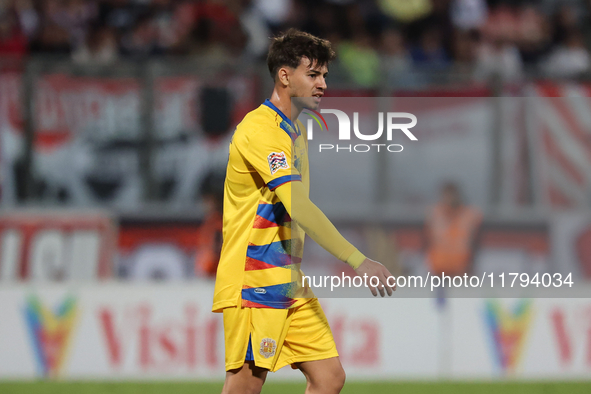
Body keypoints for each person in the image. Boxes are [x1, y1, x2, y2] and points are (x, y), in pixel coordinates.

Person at [212, 29, 394, 394]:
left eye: (324, 75)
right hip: (255, 280)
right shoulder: (259, 129)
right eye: (313, 74)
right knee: (244, 388)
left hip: (288, 279)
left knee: (329, 378)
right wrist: (359, 261)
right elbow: (296, 204)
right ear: (284, 75)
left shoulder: (293, 131)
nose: (323, 84)